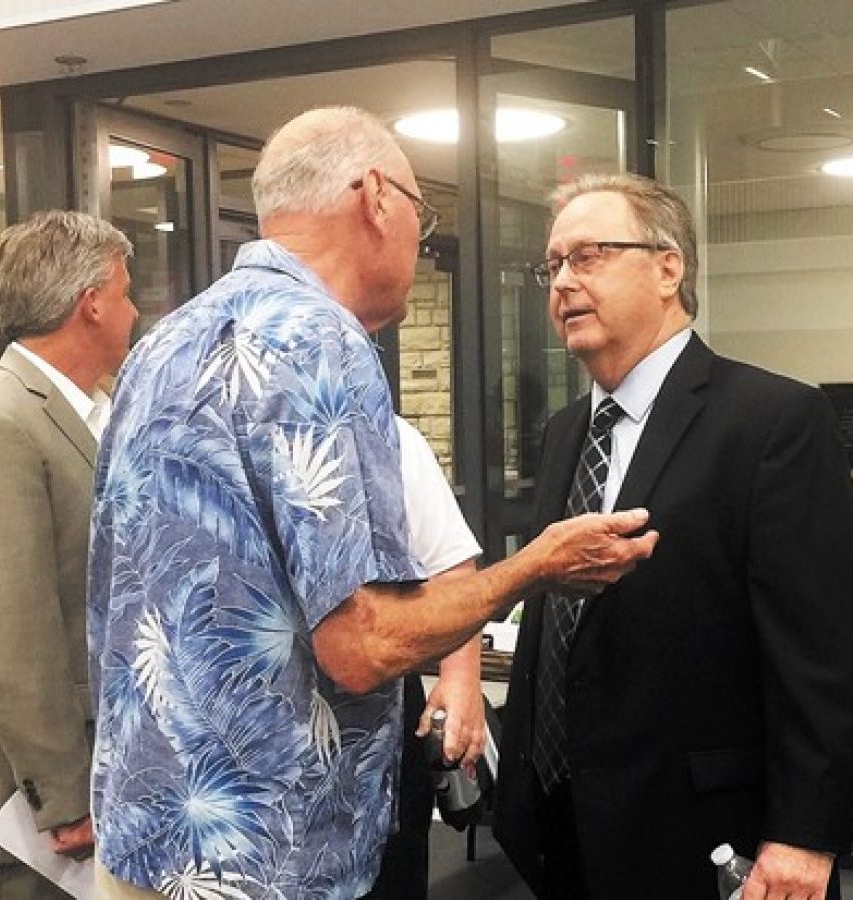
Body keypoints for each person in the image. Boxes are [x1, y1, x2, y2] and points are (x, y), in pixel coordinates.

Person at [88, 107, 657, 900]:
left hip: (143, 841)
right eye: (422, 217)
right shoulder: (324, 342)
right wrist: (534, 567)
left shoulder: (163, 343)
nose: (419, 243)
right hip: (268, 861)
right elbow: (363, 646)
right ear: (376, 197)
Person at [493, 172, 853, 900]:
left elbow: (820, 652)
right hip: (561, 827)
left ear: (668, 268)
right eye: (553, 264)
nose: (562, 281)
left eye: (589, 255)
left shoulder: (771, 421)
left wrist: (805, 835)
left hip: (703, 834)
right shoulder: (566, 432)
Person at [0, 210, 137, 899]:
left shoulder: (99, 407)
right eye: (124, 292)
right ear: (90, 303)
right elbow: (8, 636)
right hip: (30, 819)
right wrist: (62, 795)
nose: (134, 310)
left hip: (106, 781)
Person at [366, 415, 483, 900]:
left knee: (388, 877)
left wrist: (461, 679)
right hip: (234, 757)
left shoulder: (385, 433)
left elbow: (451, 570)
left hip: (377, 726)